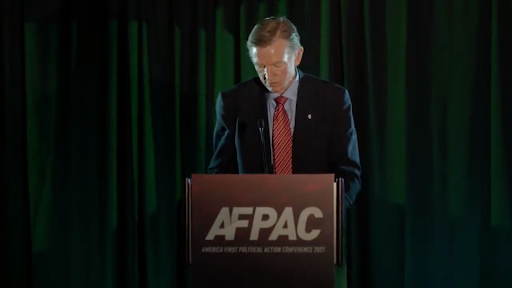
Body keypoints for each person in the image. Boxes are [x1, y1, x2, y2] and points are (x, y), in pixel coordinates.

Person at [207, 16, 361, 209]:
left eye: (277, 65)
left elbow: (349, 175)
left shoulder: (333, 100)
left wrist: (326, 214)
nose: (268, 76)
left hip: (315, 223)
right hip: (253, 226)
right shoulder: (233, 102)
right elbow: (220, 174)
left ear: (297, 56)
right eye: (260, 66)